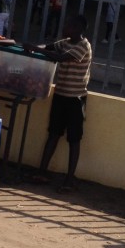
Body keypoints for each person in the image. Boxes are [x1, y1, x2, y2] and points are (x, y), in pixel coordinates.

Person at [24, 13, 92, 192]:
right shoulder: (65, 42)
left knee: (74, 139)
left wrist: (36, 49)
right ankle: (42, 172)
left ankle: (69, 179)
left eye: (69, 26)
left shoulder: (83, 46)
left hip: (75, 98)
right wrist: (34, 47)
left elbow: (61, 58)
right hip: (61, 95)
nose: (65, 28)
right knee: (53, 133)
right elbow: (50, 47)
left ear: (78, 29)